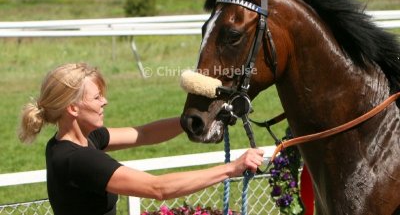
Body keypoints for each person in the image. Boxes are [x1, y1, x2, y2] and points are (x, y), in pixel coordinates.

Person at [18, 63, 264, 215]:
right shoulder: (77, 160)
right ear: (72, 109)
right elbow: (158, 188)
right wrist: (232, 168)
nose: (105, 101)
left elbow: (143, 133)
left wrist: (191, 121)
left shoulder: (79, 139)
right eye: (96, 98)